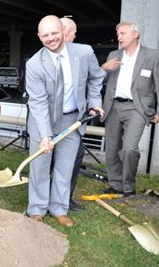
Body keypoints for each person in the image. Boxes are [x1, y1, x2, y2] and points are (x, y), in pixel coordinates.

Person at [26, 15, 104, 227]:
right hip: (43, 120)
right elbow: (38, 103)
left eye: (54, 33)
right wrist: (45, 136)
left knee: (65, 166)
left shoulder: (84, 52)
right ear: (39, 37)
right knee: (40, 167)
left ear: (62, 30)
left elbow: (97, 77)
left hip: (72, 120)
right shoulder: (34, 64)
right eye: (45, 35)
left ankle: (59, 208)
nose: (50, 38)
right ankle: (37, 208)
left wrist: (95, 101)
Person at [100, 21, 159, 197]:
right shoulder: (114, 54)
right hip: (113, 106)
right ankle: (115, 184)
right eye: (118, 34)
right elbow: (99, 80)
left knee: (128, 149)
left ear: (135, 34)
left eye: (123, 33)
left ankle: (128, 186)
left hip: (137, 107)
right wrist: (104, 68)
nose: (119, 37)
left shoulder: (152, 56)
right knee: (111, 149)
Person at [60, 17, 85, 212]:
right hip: (51, 119)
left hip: (74, 118)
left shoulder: (80, 56)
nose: (75, 36)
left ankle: (65, 198)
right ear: (66, 33)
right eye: (74, 33)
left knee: (76, 155)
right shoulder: (44, 57)